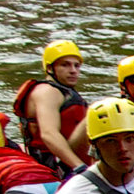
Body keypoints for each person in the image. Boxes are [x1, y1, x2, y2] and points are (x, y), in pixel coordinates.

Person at [14, 40, 90, 175]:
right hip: (54, 164)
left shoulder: (63, 91)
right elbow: (49, 134)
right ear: (50, 69)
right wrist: (80, 167)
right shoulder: (48, 91)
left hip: (70, 159)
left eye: (76, 66)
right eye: (65, 65)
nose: (73, 71)